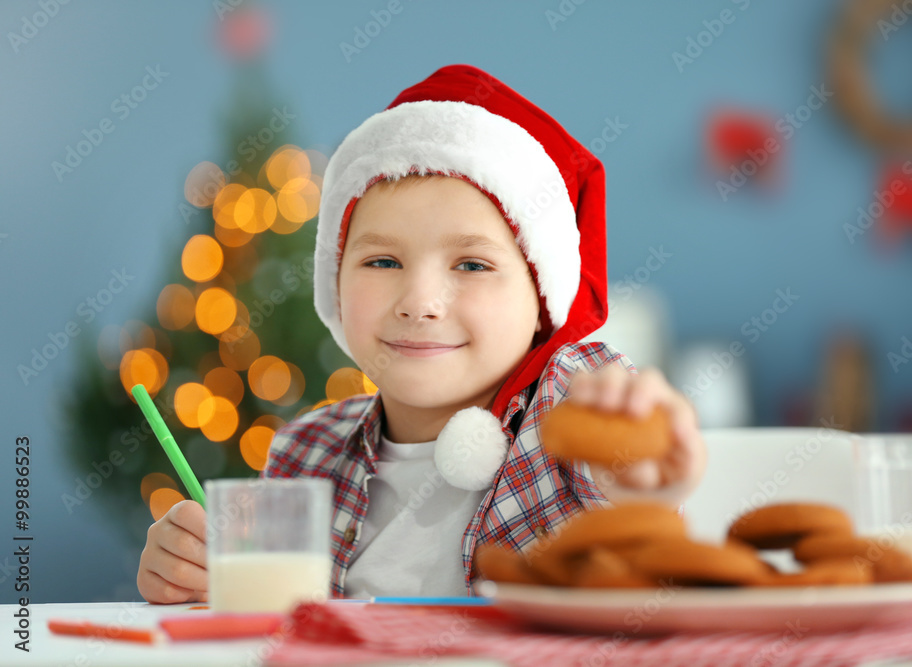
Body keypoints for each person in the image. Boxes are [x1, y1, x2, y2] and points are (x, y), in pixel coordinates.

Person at [137, 64, 706, 603]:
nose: (418, 303)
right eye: (382, 262)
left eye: (472, 265)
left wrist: (640, 483)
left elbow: (639, 534)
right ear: (335, 284)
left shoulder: (573, 405)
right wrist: (191, 574)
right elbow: (259, 626)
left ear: (542, 302)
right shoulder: (302, 454)